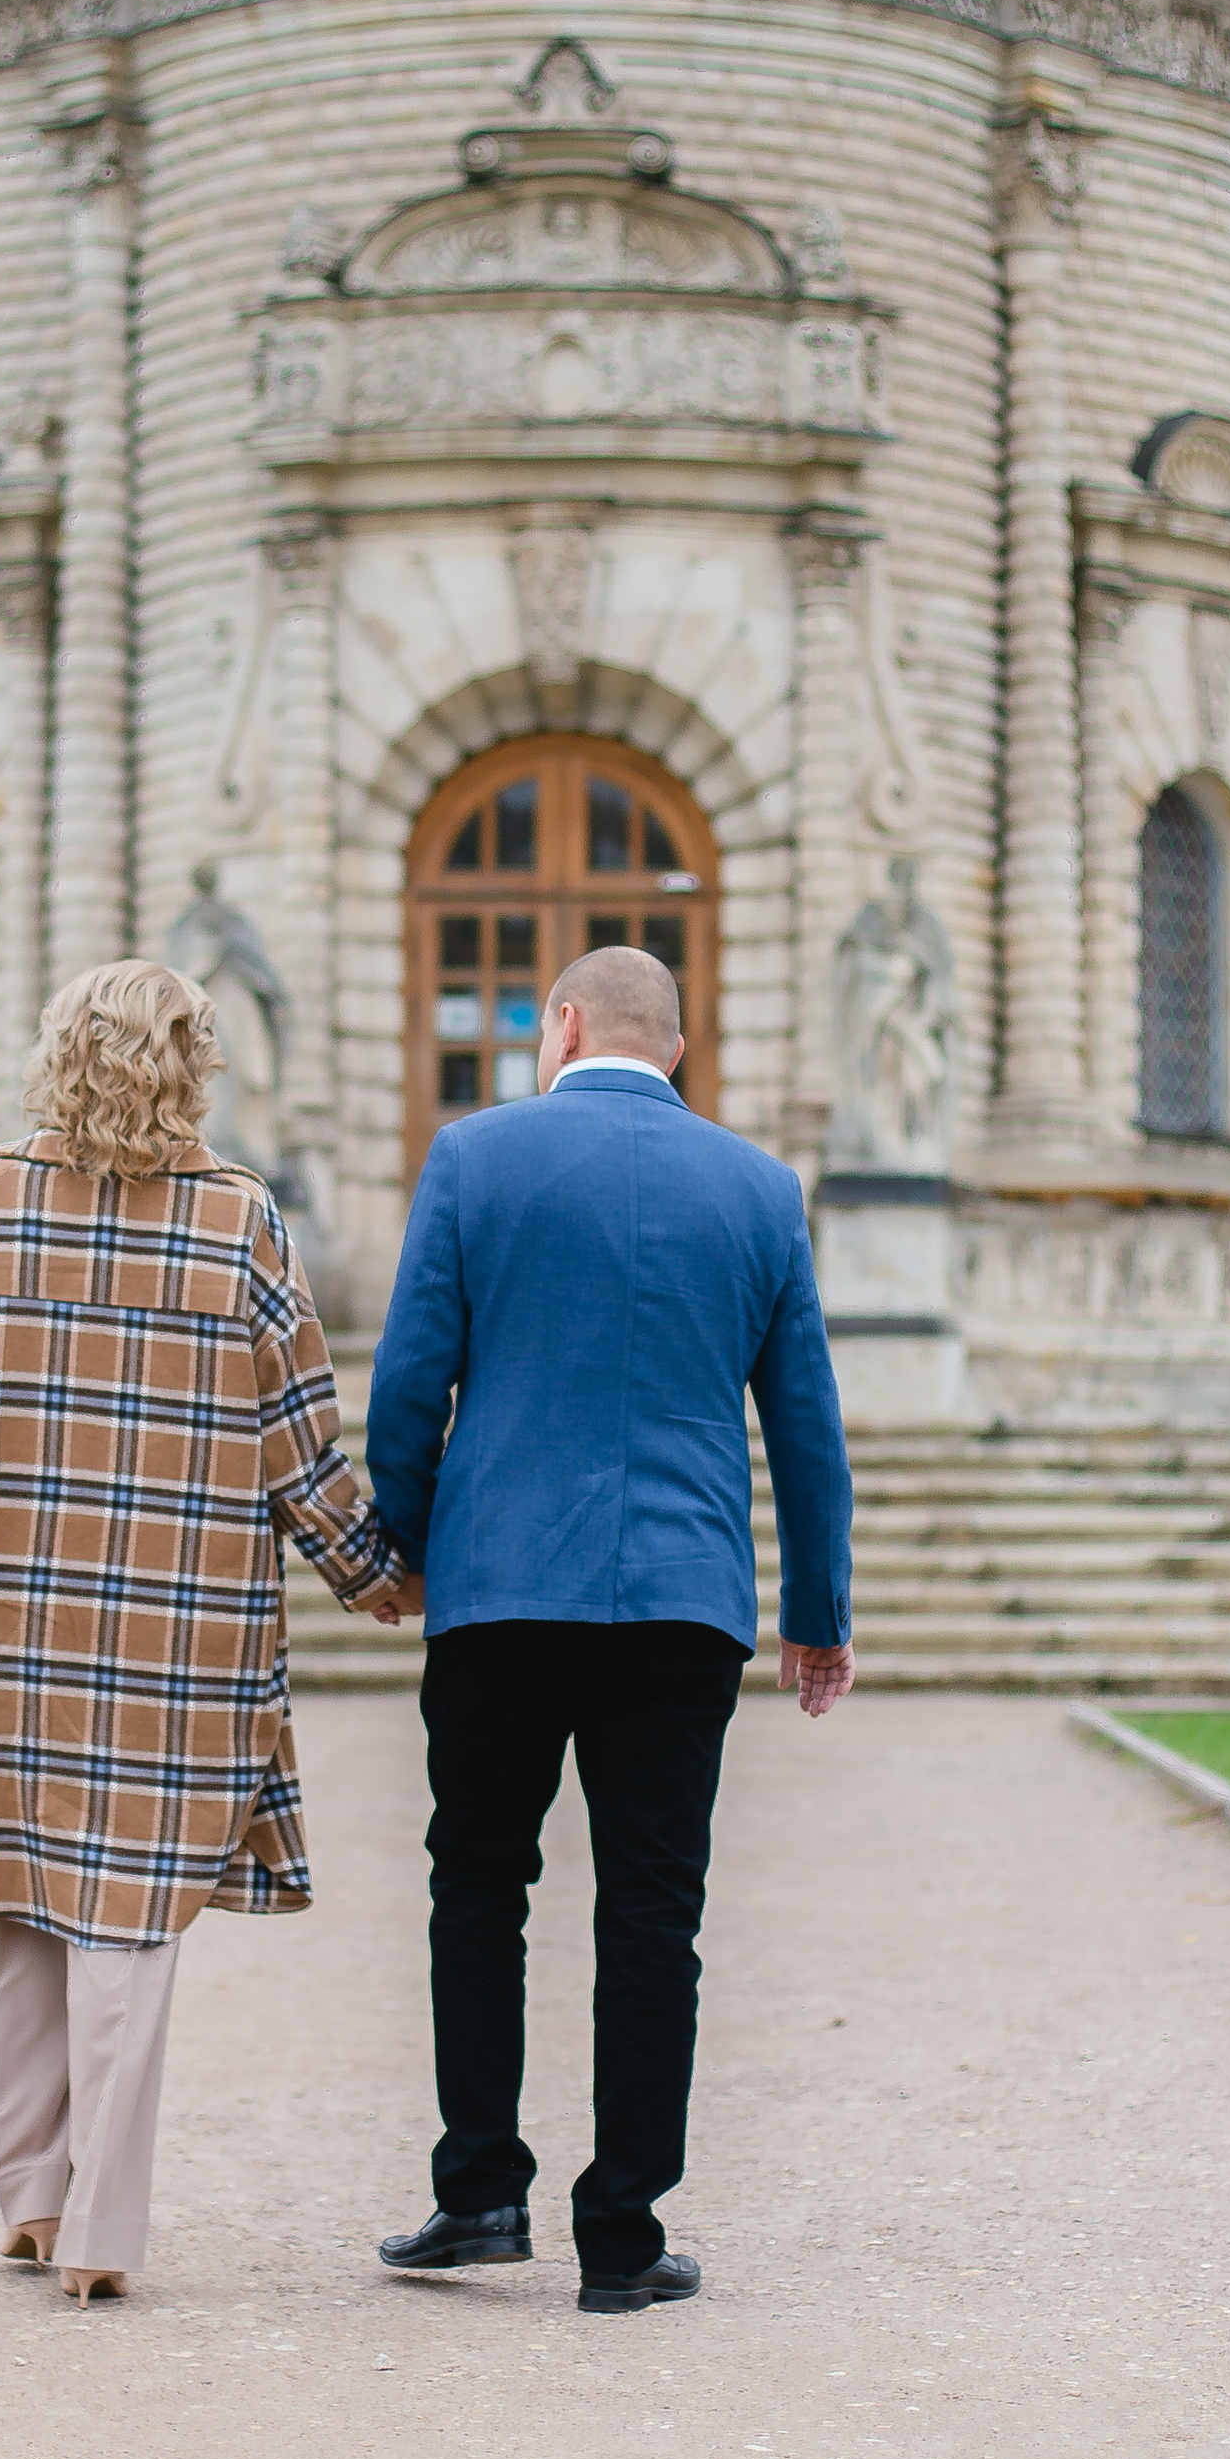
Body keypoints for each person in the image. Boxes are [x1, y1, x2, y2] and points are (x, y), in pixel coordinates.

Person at [0, 960, 413, 2306]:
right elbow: (300, 1440)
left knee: (5, 1903)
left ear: (58, 1053)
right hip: (175, 1640)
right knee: (126, 1922)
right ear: (189, 1063)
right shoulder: (241, 1223)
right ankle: (101, 2233)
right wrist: (372, 1574)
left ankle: (28, 2196)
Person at [362, 945, 853, 2315]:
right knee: (654, 1911)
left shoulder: (473, 1159)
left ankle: (479, 2196)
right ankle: (622, 2237)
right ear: (678, 1051)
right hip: (682, 1598)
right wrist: (817, 1613)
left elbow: (411, 1380)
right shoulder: (758, 1190)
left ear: (560, 1025)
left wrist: (396, 1549)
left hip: (502, 1586)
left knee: (479, 1887)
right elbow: (806, 1431)